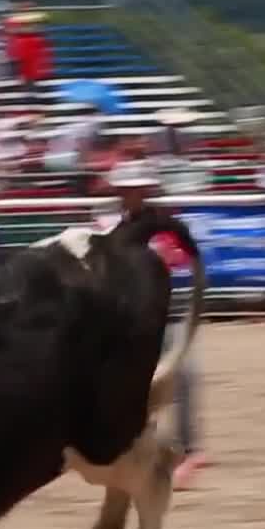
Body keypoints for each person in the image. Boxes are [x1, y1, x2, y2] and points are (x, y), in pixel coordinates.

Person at [102, 164, 206, 489]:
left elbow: (182, 262)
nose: (134, 195)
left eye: (139, 189)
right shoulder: (111, 228)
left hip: (164, 313)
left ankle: (188, 451)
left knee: (183, 376)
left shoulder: (163, 227)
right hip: (133, 318)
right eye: (129, 190)